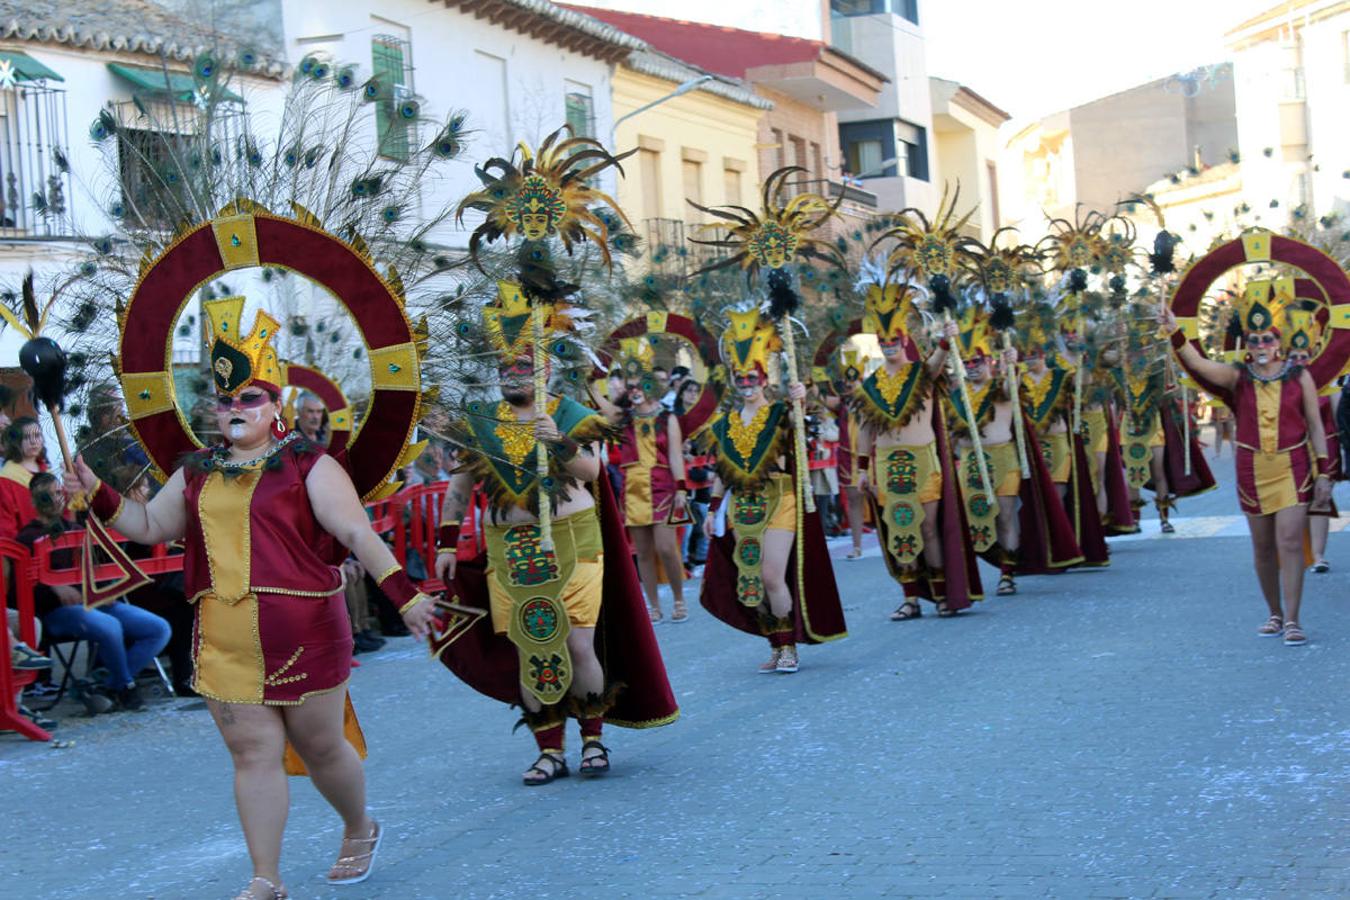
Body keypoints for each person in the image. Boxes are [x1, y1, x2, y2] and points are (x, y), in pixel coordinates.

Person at [65, 300, 438, 896]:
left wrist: (406, 595)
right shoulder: (195, 471)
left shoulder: (309, 465)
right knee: (251, 754)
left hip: (306, 631)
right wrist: (98, 493)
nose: (235, 409)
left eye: (249, 399)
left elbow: (356, 533)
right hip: (223, 633)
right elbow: (150, 526)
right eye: (226, 400)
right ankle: (266, 877)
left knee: (318, 746)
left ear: (275, 406)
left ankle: (358, 825)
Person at [434, 283, 678, 785]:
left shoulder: (568, 414)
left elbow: (594, 472)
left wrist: (560, 442)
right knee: (531, 643)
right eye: (504, 367)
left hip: (572, 540)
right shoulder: (479, 423)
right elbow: (459, 487)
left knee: (577, 645)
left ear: (545, 369)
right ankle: (549, 748)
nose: (511, 374)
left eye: (523, 366)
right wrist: (445, 542)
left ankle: (591, 737)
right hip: (511, 548)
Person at [1162, 285, 1331, 646]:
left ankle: (1293, 620)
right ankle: (1274, 612)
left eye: (1267, 339)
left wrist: (1325, 472)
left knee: (1288, 541)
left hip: (1293, 466)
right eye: (1253, 340)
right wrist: (1174, 330)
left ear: (1278, 341)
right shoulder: (1238, 376)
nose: (1260, 346)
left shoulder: (1299, 376)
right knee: (1263, 547)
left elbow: (1316, 426)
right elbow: (1197, 363)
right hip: (1252, 468)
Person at [699, 307, 847, 672]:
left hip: (779, 498)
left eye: (752, 376)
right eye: (739, 377)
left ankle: (791, 648)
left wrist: (801, 398)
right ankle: (777, 643)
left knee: (770, 575)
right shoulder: (726, 423)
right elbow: (722, 469)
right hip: (742, 505)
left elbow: (804, 429)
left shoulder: (782, 413)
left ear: (763, 378)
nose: (745, 382)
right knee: (751, 581)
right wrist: (713, 509)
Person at [851, 281, 981, 620]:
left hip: (923, 460)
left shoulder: (920, 373)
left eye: (894, 338)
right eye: (883, 341)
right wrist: (862, 470)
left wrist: (946, 339)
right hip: (887, 465)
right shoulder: (870, 385)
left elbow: (938, 361)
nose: (889, 345)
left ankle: (940, 593)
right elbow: (865, 430)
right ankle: (910, 597)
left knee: (927, 528)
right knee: (900, 526)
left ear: (903, 337)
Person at [16, 473, 171, 711]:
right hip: (55, 612)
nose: (57, 498)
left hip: (95, 602)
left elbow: (101, 568)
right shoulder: (26, 538)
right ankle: (125, 688)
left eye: (60, 492)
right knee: (109, 626)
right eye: (49, 495)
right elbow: (19, 588)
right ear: (34, 501)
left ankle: (111, 685)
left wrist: (107, 588)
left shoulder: (77, 529)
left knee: (158, 629)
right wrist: (52, 586)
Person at [609, 339, 690, 623]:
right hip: (633, 490)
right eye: (630, 387)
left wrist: (681, 487)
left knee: (666, 547)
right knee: (642, 552)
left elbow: (676, 456)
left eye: (639, 386)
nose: (634, 391)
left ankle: (679, 599)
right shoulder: (623, 420)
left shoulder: (667, 419)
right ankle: (653, 605)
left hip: (663, 488)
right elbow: (601, 406)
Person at [944, 311, 1024, 595]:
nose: (971, 367)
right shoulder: (957, 396)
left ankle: (1007, 573)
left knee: (1004, 516)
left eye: (976, 361)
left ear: (988, 360)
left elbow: (1011, 381)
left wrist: (1012, 360)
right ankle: (983, 567)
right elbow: (951, 432)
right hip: (970, 464)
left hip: (1003, 458)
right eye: (965, 362)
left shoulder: (1001, 388)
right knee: (974, 519)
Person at [0, 417, 48, 540]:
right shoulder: (6, 479)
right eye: (26, 437)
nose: (33, 441)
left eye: (37, 435)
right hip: (26, 549)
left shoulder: (48, 472)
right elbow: (6, 528)